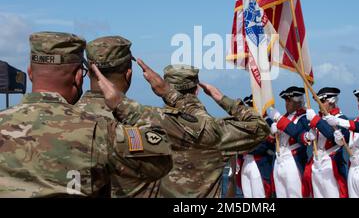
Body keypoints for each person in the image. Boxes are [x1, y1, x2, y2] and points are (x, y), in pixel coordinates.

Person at [0, 31, 173, 197]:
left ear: (30, 73)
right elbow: (162, 155)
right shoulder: (97, 130)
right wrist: (124, 106)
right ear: (77, 76)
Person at [76, 36, 223, 197]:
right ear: (128, 74)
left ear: (86, 73)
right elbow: (209, 132)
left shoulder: (63, 118)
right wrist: (169, 93)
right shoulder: (149, 120)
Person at [158, 65, 271, 198]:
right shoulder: (214, 130)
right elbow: (261, 127)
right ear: (197, 90)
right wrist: (220, 97)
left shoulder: (148, 122)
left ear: (164, 91)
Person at [302, 87, 348, 198]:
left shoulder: (341, 118)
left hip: (331, 164)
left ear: (331, 101)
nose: (319, 104)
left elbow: (330, 134)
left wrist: (315, 120)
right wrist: (308, 136)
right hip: (317, 162)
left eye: (322, 101)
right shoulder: (318, 119)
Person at [268, 86, 310, 198]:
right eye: (285, 100)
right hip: (279, 159)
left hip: (292, 160)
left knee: (295, 194)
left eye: (289, 100)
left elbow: (297, 133)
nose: (286, 103)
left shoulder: (304, 118)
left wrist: (279, 119)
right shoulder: (284, 118)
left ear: (297, 101)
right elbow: (272, 142)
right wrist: (272, 133)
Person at [237, 94, 275, 198]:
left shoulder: (267, 122)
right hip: (246, 161)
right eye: (249, 105)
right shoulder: (247, 123)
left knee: (259, 195)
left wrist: (244, 148)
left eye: (252, 105)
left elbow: (265, 145)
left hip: (258, 162)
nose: (250, 109)